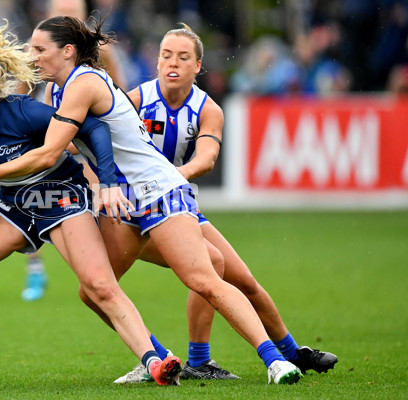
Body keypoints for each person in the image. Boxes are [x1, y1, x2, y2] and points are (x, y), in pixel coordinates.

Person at [0, 15, 303, 385]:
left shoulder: (84, 83)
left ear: (68, 51)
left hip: (158, 190)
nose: (33, 56)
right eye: (31, 49)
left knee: (203, 278)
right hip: (123, 199)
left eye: (40, 49)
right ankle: (156, 356)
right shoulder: (56, 91)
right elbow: (68, 145)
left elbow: (50, 150)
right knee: (95, 290)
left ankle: (275, 360)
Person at [0, 21, 182, 389]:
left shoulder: (25, 113)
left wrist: (105, 182)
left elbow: (96, 130)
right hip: (14, 205)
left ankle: (155, 361)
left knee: (99, 285)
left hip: (63, 198)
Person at [113, 23, 338, 383]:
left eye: (183, 57)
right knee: (198, 266)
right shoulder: (135, 101)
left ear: (197, 66)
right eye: (166, 56)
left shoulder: (208, 109)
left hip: (176, 204)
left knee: (245, 280)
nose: (173, 63)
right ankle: (171, 357)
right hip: (134, 213)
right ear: (156, 62)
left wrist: (170, 180)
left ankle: (292, 352)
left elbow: (206, 159)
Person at [20, 0, 128, 302]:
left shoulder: (101, 54)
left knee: (98, 206)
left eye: (73, 14)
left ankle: (104, 272)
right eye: (59, 14)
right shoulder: (38, 50)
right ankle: (36, 268)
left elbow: (122, 95)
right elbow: (20, 96)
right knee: (31, 195)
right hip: (55, 129)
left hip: (87, 141)